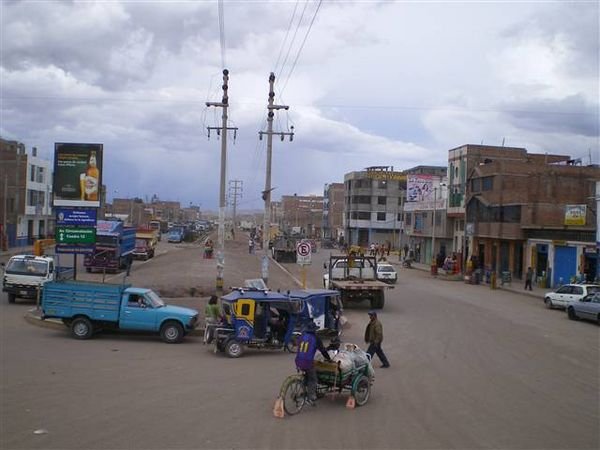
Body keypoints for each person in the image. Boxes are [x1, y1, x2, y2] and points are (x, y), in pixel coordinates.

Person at [295, 321, 331, 405]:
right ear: (314, 330)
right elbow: (323, 351)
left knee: (307, 375)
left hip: (298, 360)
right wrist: (329, 359)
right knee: (313, 379)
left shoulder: (302, 336)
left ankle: (304, 390)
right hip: (307, 362)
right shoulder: (316, 338)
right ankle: (311, 397)